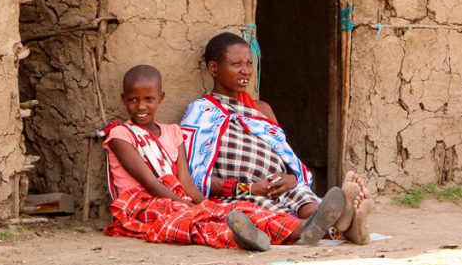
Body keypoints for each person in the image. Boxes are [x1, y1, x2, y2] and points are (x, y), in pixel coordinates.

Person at [102, 64, 346, 251]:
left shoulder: (173, 133)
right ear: (124, 100)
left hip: (176, 198)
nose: (141, 106)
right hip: (144, 203)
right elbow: (150, 183)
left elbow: (185, 181)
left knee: (236, 209)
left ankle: (308, 228)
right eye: (133, 100)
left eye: (148, 99)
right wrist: (189, 205)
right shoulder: (120, 135)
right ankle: (291, 232)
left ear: (161, 98)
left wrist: (203, 203)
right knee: (200, 224)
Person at [181, 32, 374, 245]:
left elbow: (285, 154)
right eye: (236, 64)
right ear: (214, 69)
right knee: (272, 213)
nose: (245, 71)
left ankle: (342, 223)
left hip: (280, 184)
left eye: (249, 63)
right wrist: (250, 188)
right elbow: (198, 178)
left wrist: (292, 178)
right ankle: (342, 226)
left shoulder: (261, 109)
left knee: (304, 198)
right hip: (243, 192)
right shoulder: (201, 112)